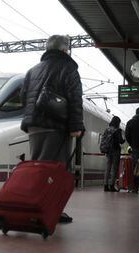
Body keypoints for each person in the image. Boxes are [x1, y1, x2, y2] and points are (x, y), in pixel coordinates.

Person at [20, 35, 85, 223]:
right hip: (56, 127)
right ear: (65, 50)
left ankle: (34, 204)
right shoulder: (69, 68)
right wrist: (75, 127)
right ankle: (50, 210)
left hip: (34, 127)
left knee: (37, 168)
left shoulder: (33, 70)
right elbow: (75, 99)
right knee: (55, 170)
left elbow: (24, 98)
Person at [103, 116, 125, 192]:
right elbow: (121, 141)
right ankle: (112, 186)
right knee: (114, 168)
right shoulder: (117, 130)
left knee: (108, 168)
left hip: (108, 151)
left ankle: (105, 186)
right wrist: (124, 139)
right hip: (115, 150)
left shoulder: (107, 129)